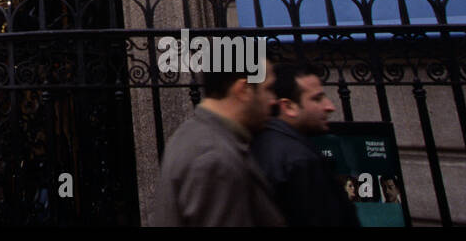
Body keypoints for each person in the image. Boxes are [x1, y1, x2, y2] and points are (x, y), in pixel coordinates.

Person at [151, 56, 285, 226]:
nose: (274, 100)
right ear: (243, 90)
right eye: (269, 89)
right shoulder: (215, 158)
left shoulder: (192, 134)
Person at [251, 63, 359, 226]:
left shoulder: (259, 144)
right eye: (317, 99)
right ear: (289, 106)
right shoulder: (300, 160)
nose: (330, 107)